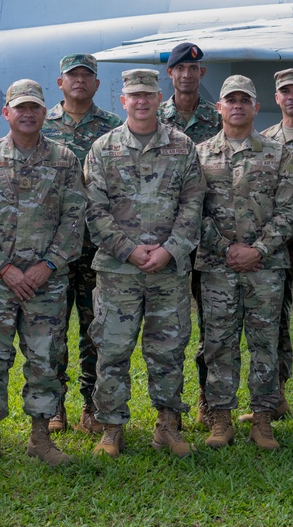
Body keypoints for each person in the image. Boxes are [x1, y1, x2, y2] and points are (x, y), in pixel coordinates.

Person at [0, 79, 86, 467]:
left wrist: (48, 265)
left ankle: (40, 437)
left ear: (45, 113)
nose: (28, 114)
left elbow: (75, 218)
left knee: (46, 358)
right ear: (7, 113)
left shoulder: (64, 160)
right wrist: (6, 268)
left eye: (35, 107)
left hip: (46, 282)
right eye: (20, 107)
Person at [85, 68, 205, 458]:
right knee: (113, 349)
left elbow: (193, 203)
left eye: (147, 95)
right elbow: (93, 209)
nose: (140, 101)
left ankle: (167, 424)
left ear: (159, 99)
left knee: (168, 350)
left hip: (169, 270)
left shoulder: (183, 146)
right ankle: (111, 426)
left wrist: (170, 249)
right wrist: (129, 250)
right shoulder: (103, 149)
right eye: (133, 95)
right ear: (122, 101)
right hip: (119, 271)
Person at [196, 75, 293, 450]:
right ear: (219, 108)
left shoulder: (279, 155)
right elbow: (192, 210)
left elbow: (290, 210)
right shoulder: (199, 155)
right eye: (231, 100)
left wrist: (258, 249)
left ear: (257, 107)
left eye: (245, 99)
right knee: (218, 342)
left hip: (265, 268)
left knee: (265, 343)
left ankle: (262, 420)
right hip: (216, 267)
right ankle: (221, 420)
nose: (238, 105)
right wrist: (226, 249)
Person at [41, 53, 122, 434]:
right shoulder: (42, 124)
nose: (79, 81)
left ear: (96, 84)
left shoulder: (112, 129)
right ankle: (55, 406)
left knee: (95, 328)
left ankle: (91, 405)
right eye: (72, 75)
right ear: (60, 83)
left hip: (95, 247)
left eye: (86, 75)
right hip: (52, 246)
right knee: (52, 327)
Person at [243, 67, 293, 426]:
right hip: (273, 251)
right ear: (275, 98)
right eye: (284, 91)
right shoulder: (264, 139)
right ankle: (275, 397)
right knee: (272, 325)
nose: (291, 96)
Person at [156, 41, 220, 424]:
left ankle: (209, 401)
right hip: (168, 241)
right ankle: (169, 408)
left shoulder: (219, 117)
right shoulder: (154, 117)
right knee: (172, 326)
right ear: (170, 74)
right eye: (179, 69)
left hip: (212, 237)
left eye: (193, 69)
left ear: (201, 74)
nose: (186, 75)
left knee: (213, 325)